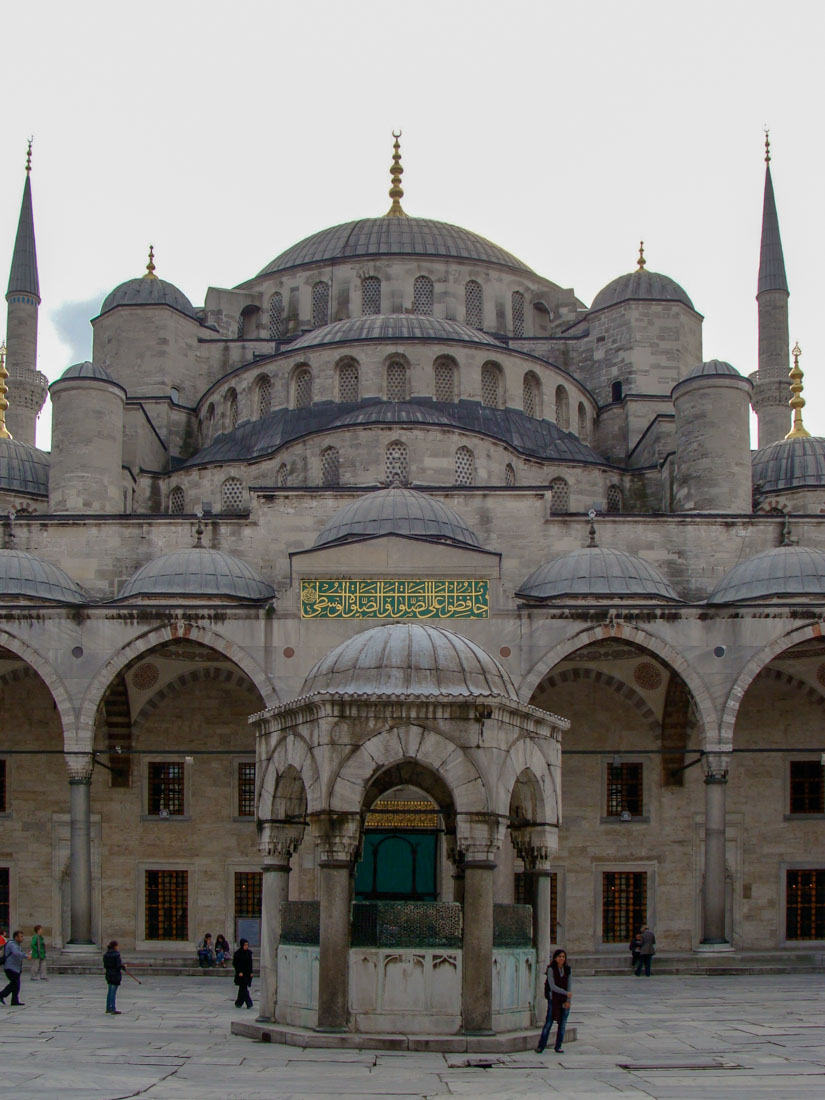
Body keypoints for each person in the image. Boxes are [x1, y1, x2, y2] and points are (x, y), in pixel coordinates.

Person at [535, 948, 572, 1053]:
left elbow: (569, 986)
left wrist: (568, 1000)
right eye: (559, 956)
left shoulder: (567, 969)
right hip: (554, 999)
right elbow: (552, 986)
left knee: (562, 1023)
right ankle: (541, 1046)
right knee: (549, 1022)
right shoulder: (551, 969)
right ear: (555, 958)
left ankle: (558, 1046)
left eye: (563, 957)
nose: (561, 959)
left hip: (564, 1000)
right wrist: (566, 993)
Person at [1, 930, 32, 1006]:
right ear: (16, 937)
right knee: (14, 983)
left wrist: (25, 954)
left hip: (15, 968)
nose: (22, 938)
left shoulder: (16, 944)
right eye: (21, 936)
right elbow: (16, 953)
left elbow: (18, 953)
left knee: (16, 984)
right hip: (10, 967)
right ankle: (1, 995)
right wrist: (26, 956)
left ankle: (14, 1000)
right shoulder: (12, 944)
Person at [103, 940, 129, 1014]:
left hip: (108, 974)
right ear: (115, 946)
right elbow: (118, 966)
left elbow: (106, 965)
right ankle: (113, 1008)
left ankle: (108, 1008)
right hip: (115, 975)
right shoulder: (116, 954)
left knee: (110, 991)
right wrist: (123, 966)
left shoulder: (106, 955)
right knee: (113, 992)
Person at [232, 937, 253, 1009]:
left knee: (242, 988)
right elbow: (235, 963)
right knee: (243, 988)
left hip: (247, 973)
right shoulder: (237, 954)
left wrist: (251, 972)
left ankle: (239, 1002)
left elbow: (250, 963)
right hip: (240, 974)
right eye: (245, 945)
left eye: (247, 945)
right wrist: (239, 971)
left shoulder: (249, 953)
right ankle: (249, 1003)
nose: (246, 946)